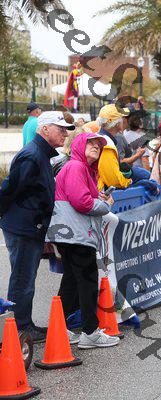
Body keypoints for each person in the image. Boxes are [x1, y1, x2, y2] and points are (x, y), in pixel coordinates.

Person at [0, 111, 74, 341]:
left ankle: (22, 324)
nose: (65, 134)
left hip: (29, 226)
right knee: (23, 279)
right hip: (23, 227)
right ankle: (19, 328)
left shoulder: (40, 154)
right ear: (45, 129)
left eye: (66, 130)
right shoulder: (32, 155)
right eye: (60, 129)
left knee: (25, 278)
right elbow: (10, 190)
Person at [47, 132, 120, 348]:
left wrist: (98, 198)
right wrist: (105, 204)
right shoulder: (76, 166)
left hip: (71, 234)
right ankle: (90, 332)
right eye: (91, 143)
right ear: (79, 145)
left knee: (71, 281)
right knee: (87, 282)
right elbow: (82, 202)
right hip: (76, 234)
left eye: (99, 145)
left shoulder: (79, 168)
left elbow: (81, 199)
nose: (96, 147)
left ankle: (60, 328)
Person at [96, 104, 133, 190]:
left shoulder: (99, 137)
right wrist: (128, 181)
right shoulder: (106, 144)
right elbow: (114, 181)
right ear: (116, 123)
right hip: (102, 193)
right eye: (122, 118)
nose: (124, 120)